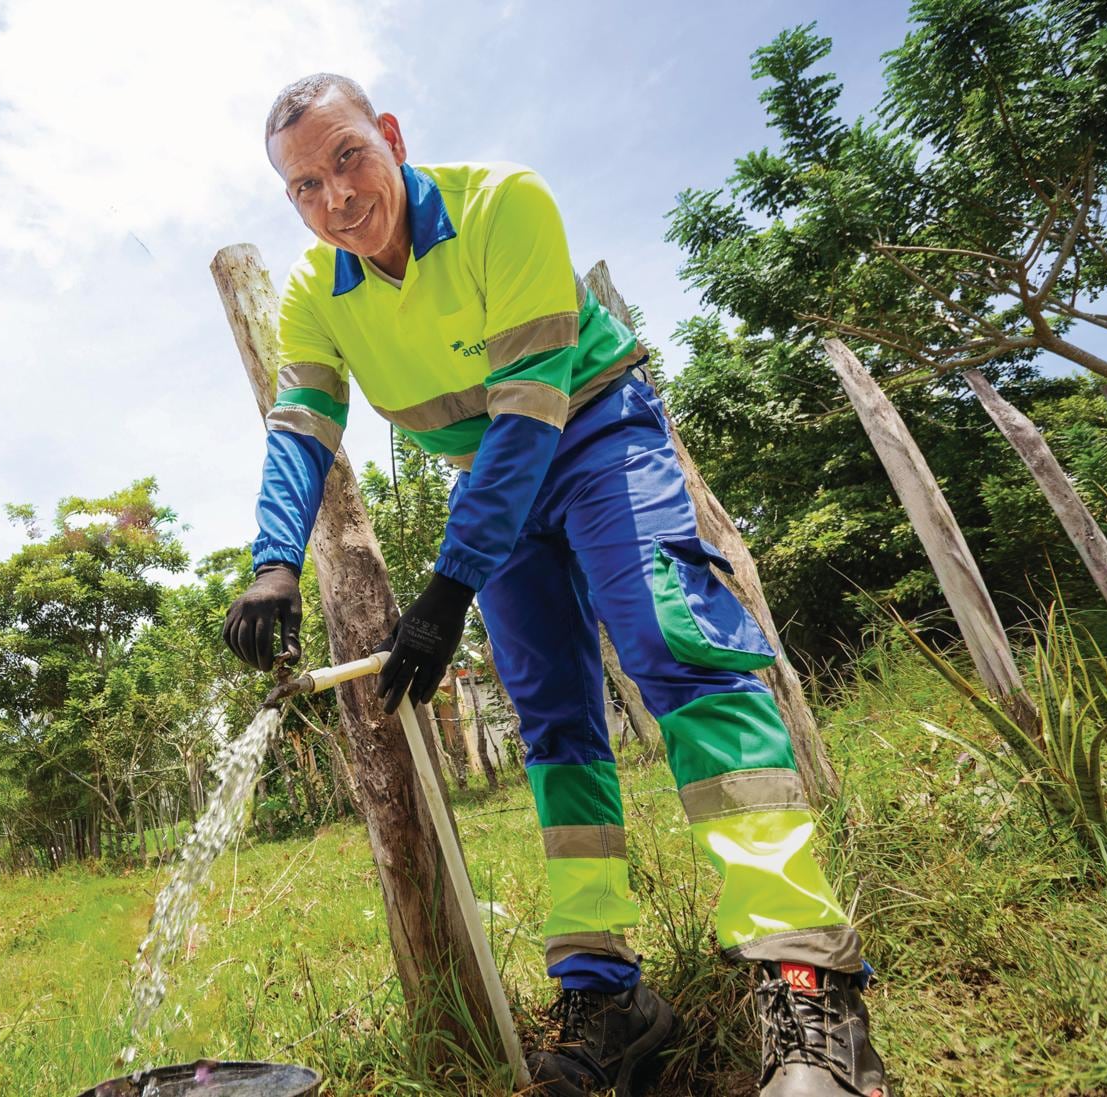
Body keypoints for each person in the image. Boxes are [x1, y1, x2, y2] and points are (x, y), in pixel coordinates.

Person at [222, 73, 890, 1097]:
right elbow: (302, 427)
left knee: (672, 644)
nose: (336, 197)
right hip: (489, 475)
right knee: (552, 722)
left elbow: (532, 410)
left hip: (591, 429)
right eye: (304, 186)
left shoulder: (503, 203)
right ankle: (606, 990)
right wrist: (274, 560)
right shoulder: (319, 291)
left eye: (348, 157)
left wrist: (450, 585)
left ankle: (807, 979)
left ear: (390, 135)